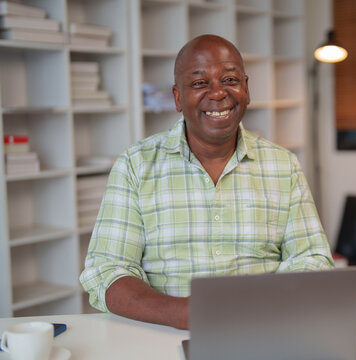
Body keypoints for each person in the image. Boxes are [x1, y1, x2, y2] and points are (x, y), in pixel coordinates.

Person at [80, 34, 334, 330]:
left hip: (264, 330)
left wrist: (268, 307)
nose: (218, 93)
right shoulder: (135, 165)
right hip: (164, 335)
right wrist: (180, 313)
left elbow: (312, 259)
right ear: (177, 97)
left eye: (229, 80)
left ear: (246, 90)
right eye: (200, 83)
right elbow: (106, 271)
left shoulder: (283, 165)